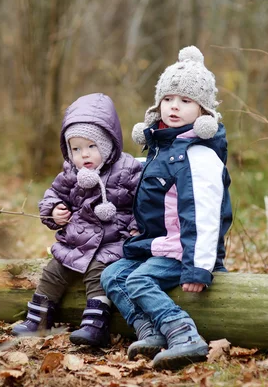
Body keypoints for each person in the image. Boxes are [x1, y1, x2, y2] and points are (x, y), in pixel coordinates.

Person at [100, 46, 232, 370]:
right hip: (159, 246)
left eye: (186, 101)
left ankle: (184, 333)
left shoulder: (198, 155)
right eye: (169, 99)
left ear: (202, 112)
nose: (174, 106)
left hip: (185, 252)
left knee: (138, 281)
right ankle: (150, 330)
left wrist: (198, 267)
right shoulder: (164, 147)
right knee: (112, 275)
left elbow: (203, 215)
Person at [12, 93, 142, 348]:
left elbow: (143, 202)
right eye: (76, 148)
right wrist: (55, 210)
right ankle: (37, 321)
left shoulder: (127, 168)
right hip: (77, 241)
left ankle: (95, 326)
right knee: (54, 271)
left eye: (91, 146)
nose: (84, 155)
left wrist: (137, 229)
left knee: (98, 274)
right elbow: (54, 194)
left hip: (112, 241)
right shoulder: (71, 172)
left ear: (106, 144)